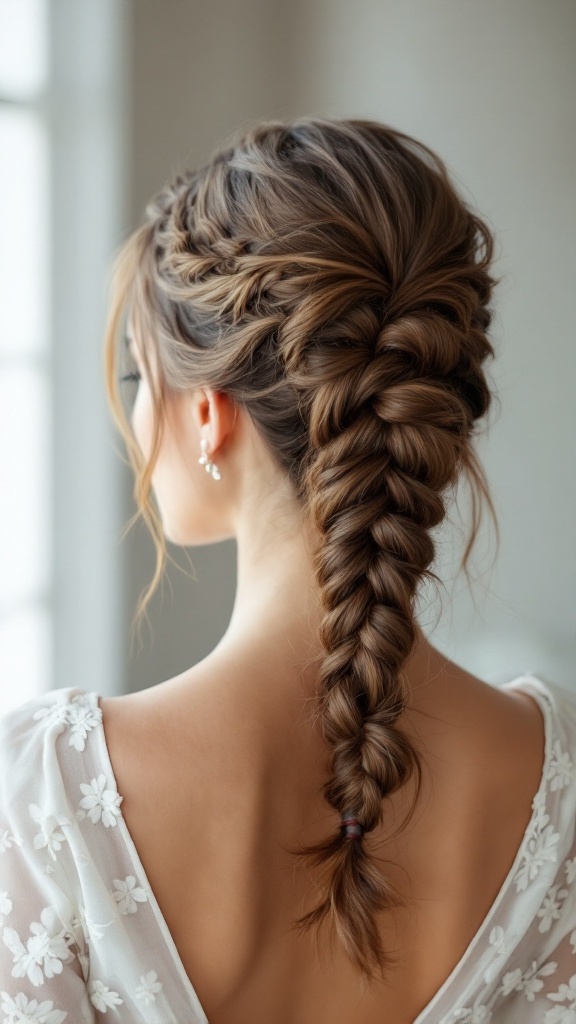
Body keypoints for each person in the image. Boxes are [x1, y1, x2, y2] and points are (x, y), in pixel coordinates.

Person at [0, 116, 574, 1024]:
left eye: (141, 378)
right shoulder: (555, 778)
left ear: (207, 415)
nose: (137, 420)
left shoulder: (44, 800)